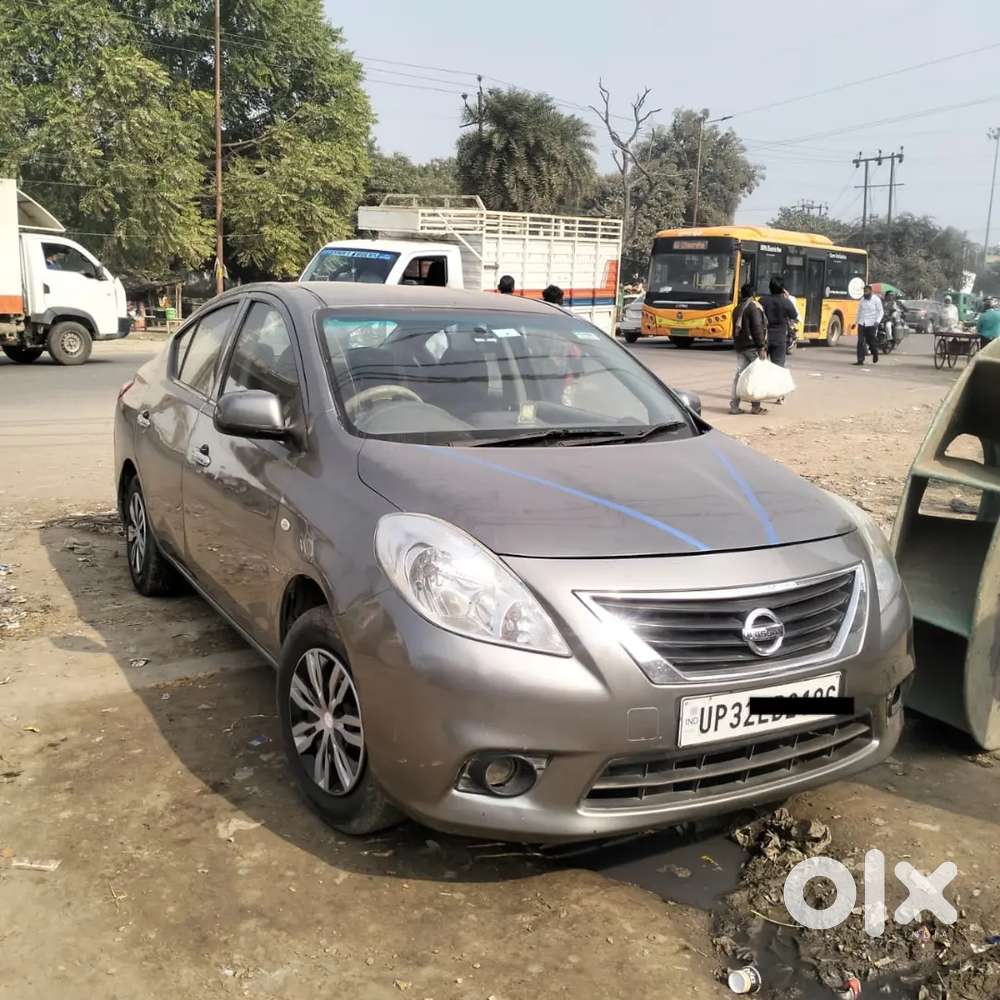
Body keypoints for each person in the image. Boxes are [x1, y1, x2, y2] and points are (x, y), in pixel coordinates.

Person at [729, 283, 768, 415]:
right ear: (753, 294)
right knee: (756, 376)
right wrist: (761, 346)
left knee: (739, 376)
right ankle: (755, 407)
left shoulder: (737, 308)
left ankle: (734, 406)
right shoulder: (753, 307)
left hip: (740, 347)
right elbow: (757, 328)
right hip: (752, 348)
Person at [760, 277, 797, 369]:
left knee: (760, 366)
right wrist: (788, 298)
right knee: (778, 368)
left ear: (770, 287)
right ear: (783, 289)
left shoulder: (762, 301)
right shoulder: (786, 302)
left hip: (764, 338)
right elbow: (794, 315)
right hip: (779, 339)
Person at [852, 284, 883, 365]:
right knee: (860, 342)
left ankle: (875, 353)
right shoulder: (862, 300)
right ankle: (860, 360)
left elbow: (881, 312)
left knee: (871, 341)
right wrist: (855, 323)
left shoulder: (876, 300)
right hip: (862, 323)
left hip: (872, 324)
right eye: (864, 291)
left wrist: (877, 321)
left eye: (866, 291)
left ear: (870, 291)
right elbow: (859, 312)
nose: (865, 293)